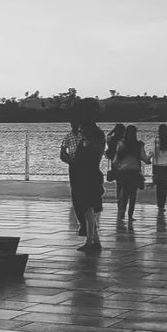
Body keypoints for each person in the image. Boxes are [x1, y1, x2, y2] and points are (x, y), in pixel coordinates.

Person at [71, 106, 106, 253]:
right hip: (94, 176)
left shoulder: (86, 144)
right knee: (91, 210)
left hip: (84, 178)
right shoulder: (99, 144)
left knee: (87, 211)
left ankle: (90, 240)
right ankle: (94, 239)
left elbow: (78, 160)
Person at [112, 123, 149, 222]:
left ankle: (122, 210)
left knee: (124, 192)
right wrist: (147, 160)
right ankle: (130, 215)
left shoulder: (121, 143)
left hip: (124, 171)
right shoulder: (139, 144)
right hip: (135, 171)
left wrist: (116, 166)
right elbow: (144, 157)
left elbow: (116, 159)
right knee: (133, 194)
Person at [59, 113, 84, 235]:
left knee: (83, 186)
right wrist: (70, 161)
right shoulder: (68, 136)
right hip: (74, 164)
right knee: (74, 187)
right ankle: (76, 204)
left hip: (84, 164)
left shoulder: (84, 136)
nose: (75, 126)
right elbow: (62, 153)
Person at [151, 124, 167, 214]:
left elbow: (151, 153)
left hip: (157, 166)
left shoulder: (155, 141)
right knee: (164, 187)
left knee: (158, 186)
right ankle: (162, 206)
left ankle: (159, 205)